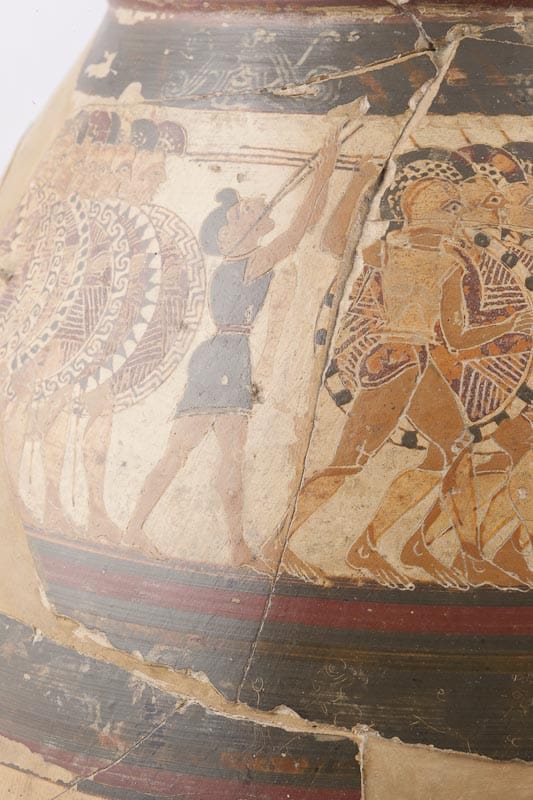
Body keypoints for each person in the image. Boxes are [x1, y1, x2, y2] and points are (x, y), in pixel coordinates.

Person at [124, 125, 343, 564]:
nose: (252, 210)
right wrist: (324, 173)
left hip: (228, 359)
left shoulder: (244, 260)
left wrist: (325, 173)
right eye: (242, 212)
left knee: (224, 454)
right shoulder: (243, 263)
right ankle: (139, 528)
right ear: (228, 237)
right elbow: (297, 230)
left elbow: (298, 230)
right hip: (222, 361)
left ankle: (233, 543)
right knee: (185, 451)